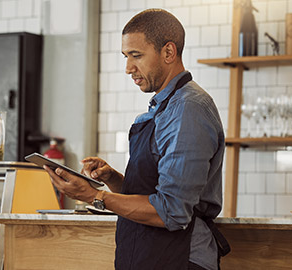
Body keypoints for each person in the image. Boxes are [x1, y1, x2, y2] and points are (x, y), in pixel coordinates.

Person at [44, 8, 228, 270]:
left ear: (168, 52)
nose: (128, 68)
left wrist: (93, 196)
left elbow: (171, 211)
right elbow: (151, 195)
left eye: (136, 56)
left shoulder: (188, 109)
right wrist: (113, 179)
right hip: (147, 257)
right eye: (125, 56)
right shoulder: (162, 109)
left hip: (179, 260)